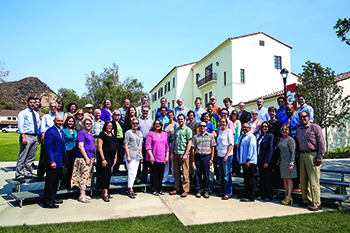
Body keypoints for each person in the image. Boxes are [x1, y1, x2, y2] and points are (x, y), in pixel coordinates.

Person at [296, 110, 325, 211]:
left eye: (304, 117)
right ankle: (306, 199)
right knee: (303, 180)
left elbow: (321, 142)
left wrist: (320, 156)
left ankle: (317, 202)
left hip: (313, 155)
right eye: (301, 117)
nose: (303, 119)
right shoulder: (299, 130)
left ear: (308, 117)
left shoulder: (315, 127)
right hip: (302, 155)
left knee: (313, 180)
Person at [43, 115, 66, 208]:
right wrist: (52, 161)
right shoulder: (50, 132)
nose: (60, 122)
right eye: (58, 121)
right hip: (53, 162)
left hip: (60, 161)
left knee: (56, 182)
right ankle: (47, 202)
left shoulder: (60, 131)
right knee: (50, 183)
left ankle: (53, 198)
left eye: (61, 121)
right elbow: (48, 148)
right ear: (54, 121)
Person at [15, 97, 40, 183]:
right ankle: (19, 174)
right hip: (27, 135)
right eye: (31, 102)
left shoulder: (36, 114)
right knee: (23, 155)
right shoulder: (23, 113)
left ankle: (27, 172)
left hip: (35, 136)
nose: (32, 104)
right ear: (27, 103)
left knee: (31, 156)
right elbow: (20, 125)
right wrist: (23, 136)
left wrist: (39, 136)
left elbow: (38, 125)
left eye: (34, 102)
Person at [71, 119, 95, 203]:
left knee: (87, 176)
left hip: (91, 157)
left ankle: (84, 194)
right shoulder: (81, 133)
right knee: (83, 176)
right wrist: (86, 158)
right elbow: (80, 146)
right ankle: (81, 196)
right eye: (87, 124)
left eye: (90, 124)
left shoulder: (90, 134)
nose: (88, 125)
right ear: (84, 125)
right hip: (83, 158)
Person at [191, 121, 216, 198]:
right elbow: (193, 149)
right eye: (201, 126)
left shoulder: (210, 136)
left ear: (206, 127)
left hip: (206, 157)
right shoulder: (195, 136)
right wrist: (193, 160)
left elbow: (213, 147)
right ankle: (198, 190)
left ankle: (206, 190)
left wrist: (211, 159)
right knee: (197, 174)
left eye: (204, 126)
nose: (202, 127)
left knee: (206, 174)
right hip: (198, 156)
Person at [170, 114, 192, 197]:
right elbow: (173, 142)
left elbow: (189, 142)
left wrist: (186, 154)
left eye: (182, 119)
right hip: (176, 153)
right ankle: (177, 188)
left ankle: (185, 190)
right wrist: (172, 153)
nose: (180, 121)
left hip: (184, 154)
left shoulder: (188, 130)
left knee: (185, 173)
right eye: (179, 119)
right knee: (176, 172)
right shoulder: (176, 130)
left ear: (185, 120)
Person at [145, 120, 170, 195]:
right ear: (153, 125)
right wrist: (151, 156)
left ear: (161, 125)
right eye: (156, 124)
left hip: (162, 157)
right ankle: (154, 189)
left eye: (159, 124)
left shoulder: (165, 134)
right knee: (153, 174)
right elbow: (147, 146)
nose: (157, 125)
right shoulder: (150, 134)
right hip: (153, 157)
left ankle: (160, 188)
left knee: (161, 174)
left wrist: (167, 156)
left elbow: (167, 146)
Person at [97, 121, 118, 202]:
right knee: (106, 175)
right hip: (105, 158)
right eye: (108, 125)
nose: (109, 127)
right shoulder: (102, 134)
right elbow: (99, 147)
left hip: (112, 158)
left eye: (111, 126)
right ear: (105, 126)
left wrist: (115, 157)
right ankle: (105, 193)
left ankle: (104, 191)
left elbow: (115, 146)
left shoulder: (112, 135)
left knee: (108, 175)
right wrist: (103, 159)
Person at [37, 101, 58, 180]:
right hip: (47, 139)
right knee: (44, 156)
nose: (53, 108)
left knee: (54, 156)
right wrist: (43, 139)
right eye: (51, 106)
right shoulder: (46, 116)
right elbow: (42, 129)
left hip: (55, 139)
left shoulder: (58, 116)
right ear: (49, 107)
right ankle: (40, 175)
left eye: (54, 106)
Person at [237, 123, 258, 202]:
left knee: (250, 179)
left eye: (246, 127)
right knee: (246, 179)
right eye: (243, 127)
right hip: (243, 161)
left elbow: (251, 149)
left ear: (249, 128)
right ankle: (246, 194)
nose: (244, 129)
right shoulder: (242, 136)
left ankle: (250, 196)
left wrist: (248, 160)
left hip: (249, 161)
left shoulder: (251, 137)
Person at [124, 117, 143, 199]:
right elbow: (125, 144)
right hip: (130, 155)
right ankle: (130, 189)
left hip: (137, 156)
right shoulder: (128, 132)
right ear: (131, 124)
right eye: (134, 123)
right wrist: (128, 156)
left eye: (136, 123)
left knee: (134, 173)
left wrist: (140, 155)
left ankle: (130, 188)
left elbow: (140, 145)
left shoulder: (140, 133)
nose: (135, 125)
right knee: (131, 173)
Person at [278, 124, 297, 205]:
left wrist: (291, 163)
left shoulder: (291, 140)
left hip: (289, 161)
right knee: (284, 178)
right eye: (283, 129)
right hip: (283, 162)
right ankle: (286, 195)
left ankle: (289, 196)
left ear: (289, 131)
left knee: (289, 179)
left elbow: (293, 152)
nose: (284, 131)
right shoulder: (281, 139)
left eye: (286, 129)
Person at [256, 121, 274, 202]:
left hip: (266, 161)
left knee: (267, 178)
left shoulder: (270, 136)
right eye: (263, 126)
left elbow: (270, 149)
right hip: (260, 159)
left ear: (269, 127)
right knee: (261, 178)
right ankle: (261, 194)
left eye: (266, 126)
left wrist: (267, 161)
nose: (264, 128)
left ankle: (268, 195)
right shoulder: (260, 136)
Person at [216, 118, 234, 200]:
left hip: (226, 155)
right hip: (220, 154)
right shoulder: (220, 131)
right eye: (221, 122)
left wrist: (226, 155)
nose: (222, 123)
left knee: (227, 174)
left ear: (226, 123)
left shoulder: (229, 131)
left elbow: (231, 144)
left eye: (223, 122)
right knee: (222, 174)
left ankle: (228, 193)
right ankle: (222, 191)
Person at [268, 106, 283, 189]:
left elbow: (280, 135)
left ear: (275, 113)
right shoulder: (267, 123)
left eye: (273, 111)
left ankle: (277, 183)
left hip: (275, 146)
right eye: (270, 111)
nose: (272, 113)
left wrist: (277, 144)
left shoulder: (278, 123)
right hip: (269, 145)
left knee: (276, 165)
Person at [138, 106, 153, 184]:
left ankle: (146, 177)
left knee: (147, 161)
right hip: (140, 142)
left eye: (146, 111)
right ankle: (140, 177)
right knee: (140, 160)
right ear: (141, 111)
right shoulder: (138, 120)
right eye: (143, 111)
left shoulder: (151, 121)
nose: (145, 112)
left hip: (148, 143)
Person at [162, 110, 178, 183]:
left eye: (171, 115)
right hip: (166, 144)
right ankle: (164, 178)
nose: (170, 117)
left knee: (173, 162)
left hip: (173, 143)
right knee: (166, 162)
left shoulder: (175, 124)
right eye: (169, 115)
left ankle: (173, 178)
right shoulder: (165, 124)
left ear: (173, 116)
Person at [61, 116, 77, 189]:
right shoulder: (63, 131)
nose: (71, 123)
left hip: (73, 151)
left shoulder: (75, 131)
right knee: (65, 168)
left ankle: (69, 184)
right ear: (67, 122)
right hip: (66, 150)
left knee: (72, 168)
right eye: (69, 121)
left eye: (72, 121)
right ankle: (63, 184)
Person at [186, 110, 198, 183]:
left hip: (193, 144)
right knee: (189, 161)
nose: (190, 117)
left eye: (192, 115)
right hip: (187, 144)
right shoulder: (187, 125)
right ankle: (189, 176)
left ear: (194, 116)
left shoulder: (196, 124)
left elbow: (196, 134)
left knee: (193, 161)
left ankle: (194, 176)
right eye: (189, 115)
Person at [230, 109, 242, 176]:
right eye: (233, 114)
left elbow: (238, 132)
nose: (234, 115)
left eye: (235, 114)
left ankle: (236, 170)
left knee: (235, 156)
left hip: (235, 140)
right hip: (230, 140)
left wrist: (236, 141)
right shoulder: (231, 121)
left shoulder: (238, 122)